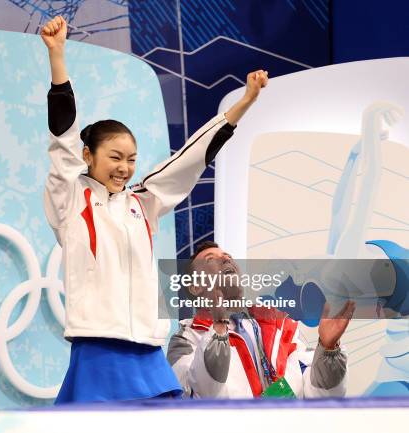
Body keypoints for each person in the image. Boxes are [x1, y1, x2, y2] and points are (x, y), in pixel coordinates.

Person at [40, 15, 268, 403]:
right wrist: (57, 56)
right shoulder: (70, 198)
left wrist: (243, 104)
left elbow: (190, 159)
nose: (125, 168)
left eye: (131, 159)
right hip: (98, 351)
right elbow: (62, 138)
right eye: (115, 157)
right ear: (87, 156)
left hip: (147, 351)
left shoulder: (142, 203)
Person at [167, 241, 355, 398]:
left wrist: (329, 349)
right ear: (196, 287)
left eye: (228, 257)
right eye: (210, 260)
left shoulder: (280, 325)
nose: (225, 259)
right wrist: (219, 327)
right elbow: (200, 396)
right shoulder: (185, 340)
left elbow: (323, 395)